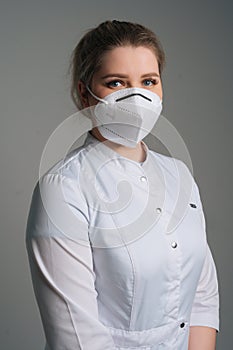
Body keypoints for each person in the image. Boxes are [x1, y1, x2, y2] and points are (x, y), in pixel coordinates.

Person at [25, 20, 219, 350]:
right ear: (85, 93)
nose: (137, 95)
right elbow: (77, 336)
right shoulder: (63, 188)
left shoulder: (179, 175)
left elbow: (202, 296)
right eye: (116, 82)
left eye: (148, 81)